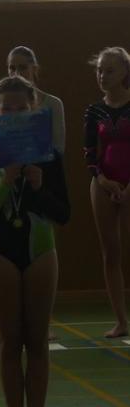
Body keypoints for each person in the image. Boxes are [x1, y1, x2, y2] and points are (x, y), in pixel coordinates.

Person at [0, 75, 69, 407]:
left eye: (21, 108)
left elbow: (63, 214)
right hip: (0, 253)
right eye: (6, 109)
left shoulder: (49, 157)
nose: (13, 114)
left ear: (33, 110)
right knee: (10, 343)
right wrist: (5, 182)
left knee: (38, 343)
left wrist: (39, 187)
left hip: (41, 253)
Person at [84, 46, 130, 339]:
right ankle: (121, 321)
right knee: (110, 252)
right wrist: (101, 179)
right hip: (103, 182)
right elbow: (90, 152)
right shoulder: (94, 110)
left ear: (125, 72)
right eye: (99, 70)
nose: (102, 76)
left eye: (109, 70)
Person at [7, 46, 66, 156]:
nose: (16, 73)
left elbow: (58, 148)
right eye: (12, 68)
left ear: (34, 69)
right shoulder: (2, 106)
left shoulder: (53, 104)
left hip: (46, 165)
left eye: (22, 68)